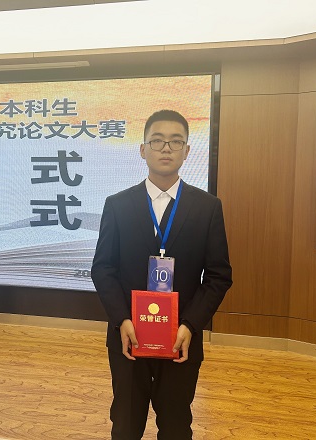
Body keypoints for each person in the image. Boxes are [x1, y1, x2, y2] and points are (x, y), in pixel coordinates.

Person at [91, 110, 232, 439]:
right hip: (129, 337)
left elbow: (218, 276)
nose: (166, 148)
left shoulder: (207, 207)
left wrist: (190, 325)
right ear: (143, 150)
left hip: (181, 338)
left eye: (175, 141)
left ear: (187, 151)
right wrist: (122, 320)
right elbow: (103, 268)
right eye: (157, 141)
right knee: (125, 425)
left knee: (176, 426)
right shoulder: (118, 205)